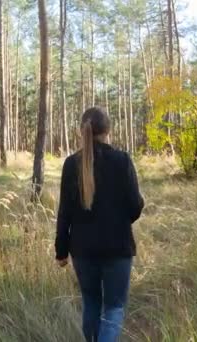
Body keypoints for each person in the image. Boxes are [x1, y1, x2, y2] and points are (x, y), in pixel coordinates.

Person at [55, 107, 144, 342]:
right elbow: (135, 207)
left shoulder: (70, 164)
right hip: (118, 248)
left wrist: (61, 252)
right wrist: (119, 220)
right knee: (113, 308)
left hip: (82, 251)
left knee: (91, 305)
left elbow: (64, 212)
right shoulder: (122, 160)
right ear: (108, 130)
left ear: (81, 131)